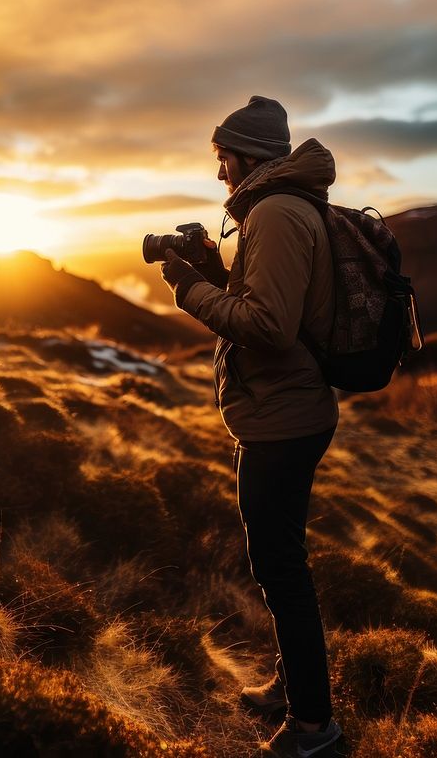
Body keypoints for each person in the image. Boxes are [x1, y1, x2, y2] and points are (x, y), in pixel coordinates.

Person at [158, 96, 346, 758]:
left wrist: (189, 289)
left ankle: (313, 727)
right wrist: (216, 272)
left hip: (282, 418)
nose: (218, 174)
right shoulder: (287, 209)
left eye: (221, 159)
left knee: (279, 568)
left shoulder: (274, 214)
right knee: (281, 562)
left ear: (245, 157)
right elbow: (271, 302)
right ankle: (291, 689)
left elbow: (267, 328)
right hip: (286, 409)